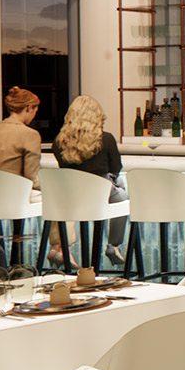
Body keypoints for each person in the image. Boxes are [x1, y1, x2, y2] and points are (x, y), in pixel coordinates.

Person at [55, 95, 129, 265]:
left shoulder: (59, 142)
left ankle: (60, 248)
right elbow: (116, 168)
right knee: (123, 198)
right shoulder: (106, 139)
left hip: (70, 197)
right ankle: (113, 244)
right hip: (99, 194)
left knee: (117, 190)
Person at [0, 86, 43, 195]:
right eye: (35, 111)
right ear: (29, 108)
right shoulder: (30, 134)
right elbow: (31, 178)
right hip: (16, 195)